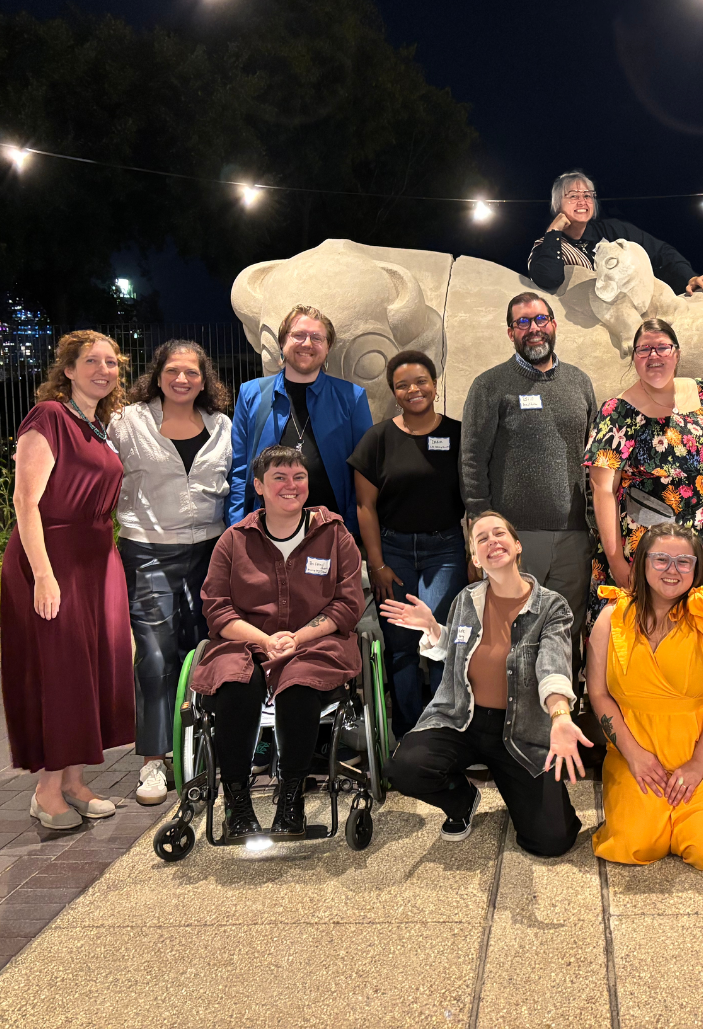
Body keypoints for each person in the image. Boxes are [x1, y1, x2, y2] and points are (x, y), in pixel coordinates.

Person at [382, 511, 588, 856]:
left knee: (552, 841)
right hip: (464, 718)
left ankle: (516, 787)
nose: (492, 541)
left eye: (499, 534)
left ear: (517, 545)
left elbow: (553, 667)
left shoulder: (552, 607)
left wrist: (560, 716)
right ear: (476, 558)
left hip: (520, 730)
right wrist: (433, 630)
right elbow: (459, 651)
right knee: (405, 768)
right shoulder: (467, 599)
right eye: (482, 538)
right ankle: (462, 801)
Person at [194, 445, 365, 842]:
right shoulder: (233, 541)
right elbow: (216, 609)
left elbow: (348, 603)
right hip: (246, 642)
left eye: (298, 477)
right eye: (279, 478)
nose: (291, 486)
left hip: (317, 642)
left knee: (299, 683)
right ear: (258, 486)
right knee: (235, 684)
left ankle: (292, 798)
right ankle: (237, 802)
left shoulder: (334, 534)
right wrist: (264, 641)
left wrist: (297, 638)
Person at [1, 331, 134, 830]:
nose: (104, 370)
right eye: (91, 361)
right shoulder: (50, 417)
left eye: (112, 363)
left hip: (97, 560)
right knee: (59, 672)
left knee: (91, 668)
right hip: (52, 559)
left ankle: (75, 781)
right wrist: (42, 575)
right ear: (69, 370)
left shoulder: (96, 426)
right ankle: (46, 790)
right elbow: (24, 502)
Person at [587, 524, 703, 872]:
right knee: (632, 845)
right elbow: (599, 694)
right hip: (639, 752)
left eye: (684, 562)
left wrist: (697, 765)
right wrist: (633, 755)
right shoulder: (611, 617)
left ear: (697, 569)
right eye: (661, 559)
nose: (672, 570)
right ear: (642, 563)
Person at [109, 340, 233, 807]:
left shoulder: (222, 425)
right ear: (158, 373)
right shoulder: (128, 421)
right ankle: (154, 761)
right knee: (156, 656)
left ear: (205, 378)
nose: (183, 379)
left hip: (210, 550)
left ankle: (200, 747)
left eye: (193, 372)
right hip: (148, 551)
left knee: (202, 648)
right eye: (173, 370)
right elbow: (102, 474)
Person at [460, 292, 598, 664]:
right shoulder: (490, 385)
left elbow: (593, 459)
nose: (533, 329)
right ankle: (517, 721)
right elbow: (472, 459)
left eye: (540, 320)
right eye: (523, 322)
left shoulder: (579, 382)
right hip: (516, 538)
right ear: (510, 333)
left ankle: (561, 717)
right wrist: (482, 527)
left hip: (574, 537)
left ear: (553, 324)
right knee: (514, 634)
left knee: (565, 633)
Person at [586, 318, 703, 623]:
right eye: (644, 350)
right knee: (652, 631)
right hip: (649, 544)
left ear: (676, 353)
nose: (653, 356)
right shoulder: (617, 411)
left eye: (662, 348)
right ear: (634, 357)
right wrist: (617, 562)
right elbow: (601, 489)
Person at [349, 350, 468, 737]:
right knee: (400, 644)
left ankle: (442, 733)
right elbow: (365, 507)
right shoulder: (377, 439)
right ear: (393, 392)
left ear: (435, 384)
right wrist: (376, 563)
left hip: (445, 551)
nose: (413, 390)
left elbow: (474, 498)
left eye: (421, 382)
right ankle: (407, 733)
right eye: (402, 385)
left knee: (439, 638)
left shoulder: (458, 435)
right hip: (393, 551)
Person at [227, 305, 373, 540]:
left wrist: (351, 531)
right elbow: (239, 470)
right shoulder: (251, 393)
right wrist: (236, 529)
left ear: (327, 349)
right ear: (282, 343)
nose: (307, 343)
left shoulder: (352, 398)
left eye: (317, 337)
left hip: (330, 532)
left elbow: (365, 472)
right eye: (298, 335)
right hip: (264, 535)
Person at [527, 170, 703, 296]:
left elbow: (661, 251)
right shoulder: (547, 245)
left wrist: (690, 277)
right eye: (573, 196)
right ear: (557, 203)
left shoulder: (613, 230)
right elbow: (548, 279)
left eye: (587, 196)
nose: (582, 201)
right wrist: (553, 231)